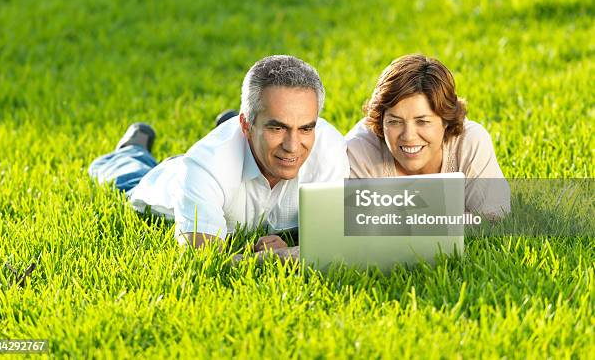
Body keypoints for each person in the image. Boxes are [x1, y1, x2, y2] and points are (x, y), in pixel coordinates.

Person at [89, 55, 350, 255]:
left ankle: (237, 128)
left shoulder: (329, 148)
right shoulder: (205, 165)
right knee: (131, 179)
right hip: (169, 182)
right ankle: (130, 151)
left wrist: (293, 246)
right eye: (277, 127)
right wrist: (275, 258)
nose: (293, 146)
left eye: (305, 128)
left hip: (233, 157)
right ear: (246, 125)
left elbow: (332, 238)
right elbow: (205, 257)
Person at [345, 54, 510, 219]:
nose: (409, 136)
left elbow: (494, 218)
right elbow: (353, 225)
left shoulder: (469, 142)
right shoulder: (358, 150)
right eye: (395, 122)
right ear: (381, 121)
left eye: (422, 121)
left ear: (446, 120)